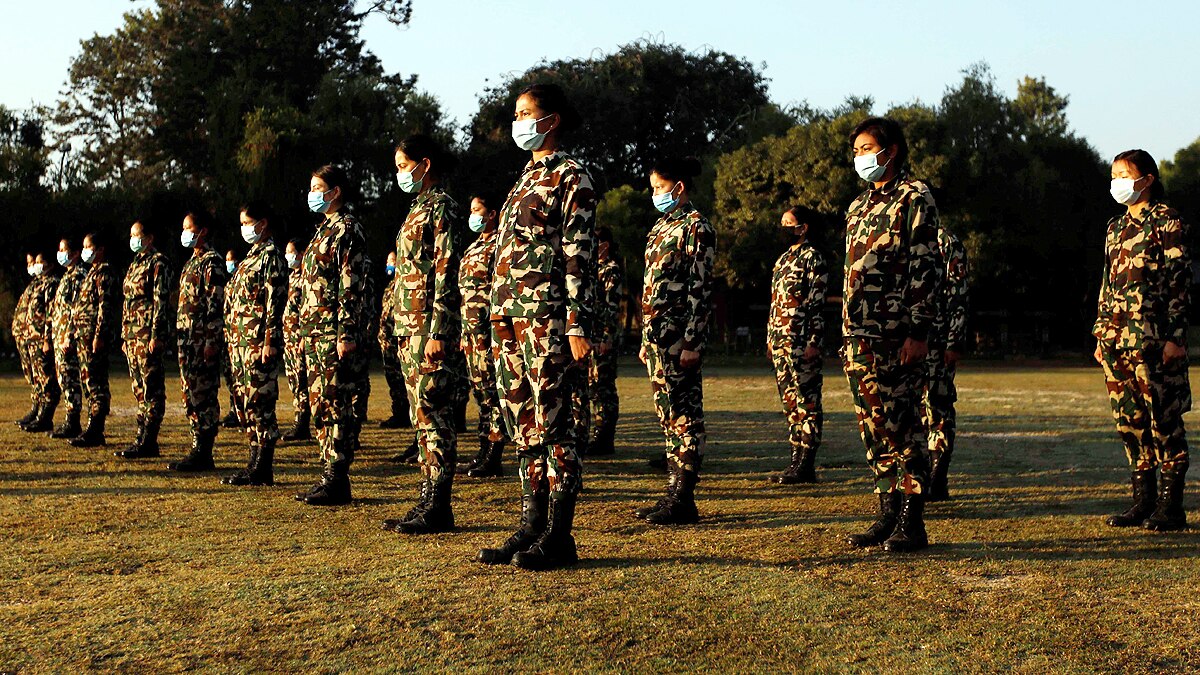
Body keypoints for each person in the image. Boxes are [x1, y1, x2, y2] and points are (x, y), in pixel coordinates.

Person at [477, 83, 596, 570]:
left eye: (528, 113)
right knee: (522, 423)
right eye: (516, 113)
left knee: (555, 424)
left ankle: (560, 535)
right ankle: (531, 525)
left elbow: (578, 254)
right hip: (508, 317)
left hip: (547, 317)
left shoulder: (573, 176)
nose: (519, 121)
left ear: (553, 120)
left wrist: (576, 323)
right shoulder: (523, 178)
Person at [842, 117, 942, 553]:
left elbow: (925, 267)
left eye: (869, 148)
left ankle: (911, 520)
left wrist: (917, 331)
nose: (862, 157)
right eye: (857, 150)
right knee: (873, 428)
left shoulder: (914, 197)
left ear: (893, 150)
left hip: (896, 333)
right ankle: (886, 512)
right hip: (859, 334)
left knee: (903, 427)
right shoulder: (858, 206)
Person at [1095, 149, 1192, 532]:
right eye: (1114, 174)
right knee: (1130, 423)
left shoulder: (1166, 221)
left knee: (1163, 420)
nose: (1118, 181)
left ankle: (1172, 507)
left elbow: (1179, 283)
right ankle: (1143, 501)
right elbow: (1106, 283)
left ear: (1147, 178)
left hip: (1154, 341)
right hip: (1116, 340)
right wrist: (1100, 332)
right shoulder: (1115, 227)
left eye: (1125, 174)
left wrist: (1175, 337)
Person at [379, 133, 465, 535]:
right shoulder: (417, 208)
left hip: (428, 330)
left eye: (402, 165)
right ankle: (427, 498)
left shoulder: (442, 207)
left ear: (424, 165)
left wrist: (439, 331)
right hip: (409, 328)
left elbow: (447, 272)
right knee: (421, 417)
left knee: (435, 412)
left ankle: (440, 505)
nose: (399, 174)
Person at [634, 157, 716, 526]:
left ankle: (684, 497)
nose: (655, 194)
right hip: (656, 340)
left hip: (679, 338)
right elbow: (650, 289)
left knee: (685, 417)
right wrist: (643, 339)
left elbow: (701, 289)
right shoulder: (660, 227)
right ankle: (672, 493)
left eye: (659, 188)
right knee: (668, 416)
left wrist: (692, 342)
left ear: (679, 188)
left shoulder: (696, 228)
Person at [293, 165, 369, 506]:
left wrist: (346, 333)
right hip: (315, 333)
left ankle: (338, 478)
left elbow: (350, 286)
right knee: (321, 403)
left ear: (336, 191)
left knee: (337, 404)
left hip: (333, 334)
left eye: (317, 186)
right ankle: (329, 473)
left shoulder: (347, 229)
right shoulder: (323, 230)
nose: (312, 193)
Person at [223, 201, 287, 486]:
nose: (244, 229)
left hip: (258, 343)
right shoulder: (250, 258)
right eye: (241, 224)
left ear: (263, 223)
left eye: (247, 223)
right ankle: (253, 459)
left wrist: (270, 340)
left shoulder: (271, 257)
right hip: (241, 344)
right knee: (245, 403)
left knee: (261, 403)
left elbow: (274, 303)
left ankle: (264, 465)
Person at [767, 205, 828, 484]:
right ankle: (795, 460)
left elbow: (816, 304)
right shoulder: (781, 260)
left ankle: (806, 463)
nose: (782, 227)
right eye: (781, 222)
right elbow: (775, 303)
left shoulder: (812, 259)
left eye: (788, 222)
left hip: (802, 342)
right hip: (781, 343)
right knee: (790, 403)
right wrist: (770, 339)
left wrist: (814, 341)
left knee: (808, 402)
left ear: (803, 228)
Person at [168, 210, 228, 472]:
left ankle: (204, 450)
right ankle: (197, 446)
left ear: (202, 231)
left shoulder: (212, 262)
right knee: (190, 394)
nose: (184, 233)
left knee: (203, 394)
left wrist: (211, 340)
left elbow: (215, 304)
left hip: (203, 341)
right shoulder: (191, 262)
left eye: (188, 227)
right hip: (187, 341)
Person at [455, 193, 509, 478]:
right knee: (481, 395)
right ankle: (482, 450)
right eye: (471, 209)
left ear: (493, 213)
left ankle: (494, 454)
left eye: (478, 209)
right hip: (472, 336)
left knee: (494, 395)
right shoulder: (475, 246)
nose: (473, 215)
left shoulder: (500, 246)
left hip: (490, 336)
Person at [116, 220, 172, 459]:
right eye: (130, 235)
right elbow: (128, 303)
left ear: (149, 238)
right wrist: (124, 334)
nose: (132, 239)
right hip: (132, 338)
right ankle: (142, 437)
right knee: (139, 389)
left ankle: (149, 439)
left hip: (147, 336)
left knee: (152, 389)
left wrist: (157, 335)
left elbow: (161, 301)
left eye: (136, 235)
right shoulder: (134, 265)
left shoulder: (158, 263)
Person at [923, 225, 969, 501]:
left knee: (937, 408)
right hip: (909, 341)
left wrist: (954, 341)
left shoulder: (947, 242)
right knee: (914, 412)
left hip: (938, 340)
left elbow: (958, 294)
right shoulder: (906, 238)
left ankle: (937, 478)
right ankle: (921, 477)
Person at [69, 232, 117, 448]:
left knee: (96, 383)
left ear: (100, 249)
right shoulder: (92, 273)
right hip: (84, 338)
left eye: (89, 247)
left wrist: (99, 335)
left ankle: (96, 429)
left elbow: (104, 308)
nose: (85, 250)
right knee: (88, 382)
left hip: (93, 338)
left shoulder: (104, 273)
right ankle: (91, 427)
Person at [587, 225, 626, 456]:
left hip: (603, 337)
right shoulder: (593, 269)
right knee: (594, 387)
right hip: (592, 337)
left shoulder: (610, 270)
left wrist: (606, 336)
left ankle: (604, 437)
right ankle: (598, 436)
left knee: (604, 388)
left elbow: (612, 307)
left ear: (604, 245)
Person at [17, 252, 62, 433]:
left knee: (46, 377)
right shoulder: (37, 284)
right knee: (37, 377)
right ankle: (38, 411)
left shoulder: (51, 284)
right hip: (31, 338)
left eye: (38, 262)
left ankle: (45, 417)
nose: (34, 265)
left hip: (41, 339)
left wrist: (46, 338)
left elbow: (50, 314)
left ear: (49, 264)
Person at [49, 238, 89, 439]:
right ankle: (69, 419)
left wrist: (70, 336)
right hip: (60, 337)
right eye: (59, 249)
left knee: (71, 379)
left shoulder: (80, 276)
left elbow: (78, 309)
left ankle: (73, 421)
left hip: (69, 339)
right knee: (64, 378)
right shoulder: (67, 276)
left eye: (64, 250)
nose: (60, 253)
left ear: (74, 253)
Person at [281, 238, 312, 442]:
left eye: (291, 252)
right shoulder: (293, 277)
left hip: (299, 337)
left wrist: (304, 335)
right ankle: (299, 419)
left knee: (302, 380)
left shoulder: (306, 278)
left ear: (301, 253)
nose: (288, 256)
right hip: (289, 337)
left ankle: (303, 423)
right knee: (294, 380)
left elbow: (307, 308)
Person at [377, 250, 412, 431]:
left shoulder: (405, 284)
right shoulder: (390, 286)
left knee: (402, 380)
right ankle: (398, 412)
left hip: (399, 341)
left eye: (392, 261)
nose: (389, 264)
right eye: (388, 261)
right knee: (393, 380)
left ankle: (405, 414)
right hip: (388, 342)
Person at [13, 252, 38, 428]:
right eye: (28, 263)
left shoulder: (45, 285)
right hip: (24, 337)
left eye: (34, 262)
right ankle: (36, 407)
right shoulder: (32, 285)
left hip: (35, 338)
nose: (31, 266)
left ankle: (42, 411)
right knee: (32, 377)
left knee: (41, 377)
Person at [220, 248, 242, 429]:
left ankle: (241, 411)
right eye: (227, 260)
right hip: (228, 338)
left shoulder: (243, 281)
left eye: (232, 260)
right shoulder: (228, 284)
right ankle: (234, 410)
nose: (229, 264)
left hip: (241, 339)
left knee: (241, 377)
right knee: (230, 376)